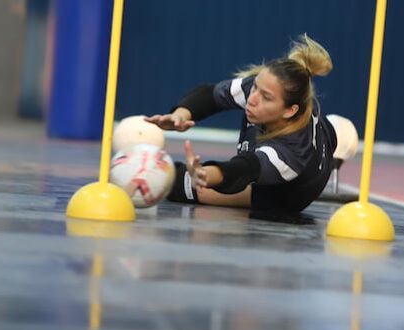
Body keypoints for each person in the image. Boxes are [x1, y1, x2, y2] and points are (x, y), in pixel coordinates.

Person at [145, 34, 339, 213]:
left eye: (266, 97)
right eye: (255, 87)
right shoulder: (261, 90)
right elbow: (211, 95)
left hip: (289, 191)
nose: (252, 99)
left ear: (290, 110)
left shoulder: (290, 154)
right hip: (323, 135)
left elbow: (245, 169)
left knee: (184, 185)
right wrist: (180, 114)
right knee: (338, 127)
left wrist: (206, 175)